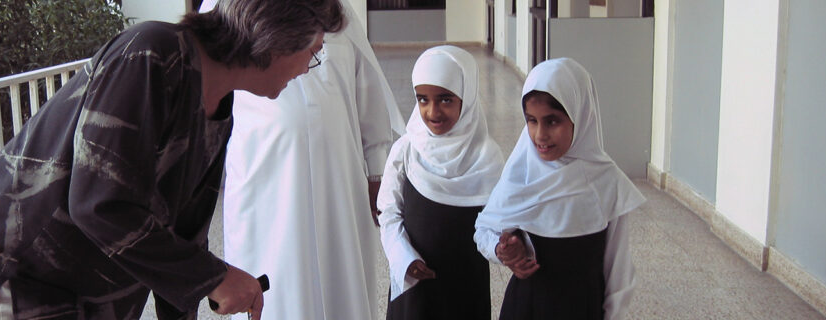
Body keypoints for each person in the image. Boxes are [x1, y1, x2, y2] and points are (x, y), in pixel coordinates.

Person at [0, 0, 345, 319]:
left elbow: (184, 240)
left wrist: (205, 280)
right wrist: (213, 277)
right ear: (277, 40)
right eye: (312, 53)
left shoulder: (219, 108)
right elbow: (97, 204)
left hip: (85, 293)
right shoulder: (151, 52)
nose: (306, 69)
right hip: (16, 277)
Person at [205, 0, 406, 318]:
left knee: (341, 277)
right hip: (263, 179)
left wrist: (376, 170)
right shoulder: (224, 6)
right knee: (273, 281)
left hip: (339, 176)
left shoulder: (335, 9)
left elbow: (367, 89)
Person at [473, 57, 646, 320]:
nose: (540, 135)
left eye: (552, 121)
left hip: (581, 308)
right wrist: (502, 249)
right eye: (531, 120)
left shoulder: (606, 182)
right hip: (526, 308)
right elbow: (484, 229)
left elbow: (618, 272)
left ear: (580, 115)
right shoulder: (522, 174)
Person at [377, 45, 505, 320]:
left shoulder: (487, 157)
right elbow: (388, 214)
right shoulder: (406, 150)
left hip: (465, 288)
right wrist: (404, 258)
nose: (432, 111)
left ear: (466, 98)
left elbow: (497, 222)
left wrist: (503, 247)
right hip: (414, 285)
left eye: (445, 99)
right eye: (423, 99)